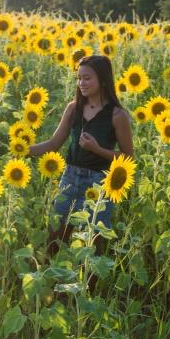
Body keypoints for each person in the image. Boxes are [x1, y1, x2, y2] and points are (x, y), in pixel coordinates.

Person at [29, 55, 134, 274]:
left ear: (103, 80)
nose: (81, 83)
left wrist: (98, 150)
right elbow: (53, 144)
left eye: (87, 78)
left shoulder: (117, 115)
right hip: (69, 178)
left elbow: (128, 158)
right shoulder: (73, 108)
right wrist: (22, 150)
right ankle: (49, 285)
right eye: (79, 78)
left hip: (99, 183)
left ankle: (88, 295)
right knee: (55, 236)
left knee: (93, 244)